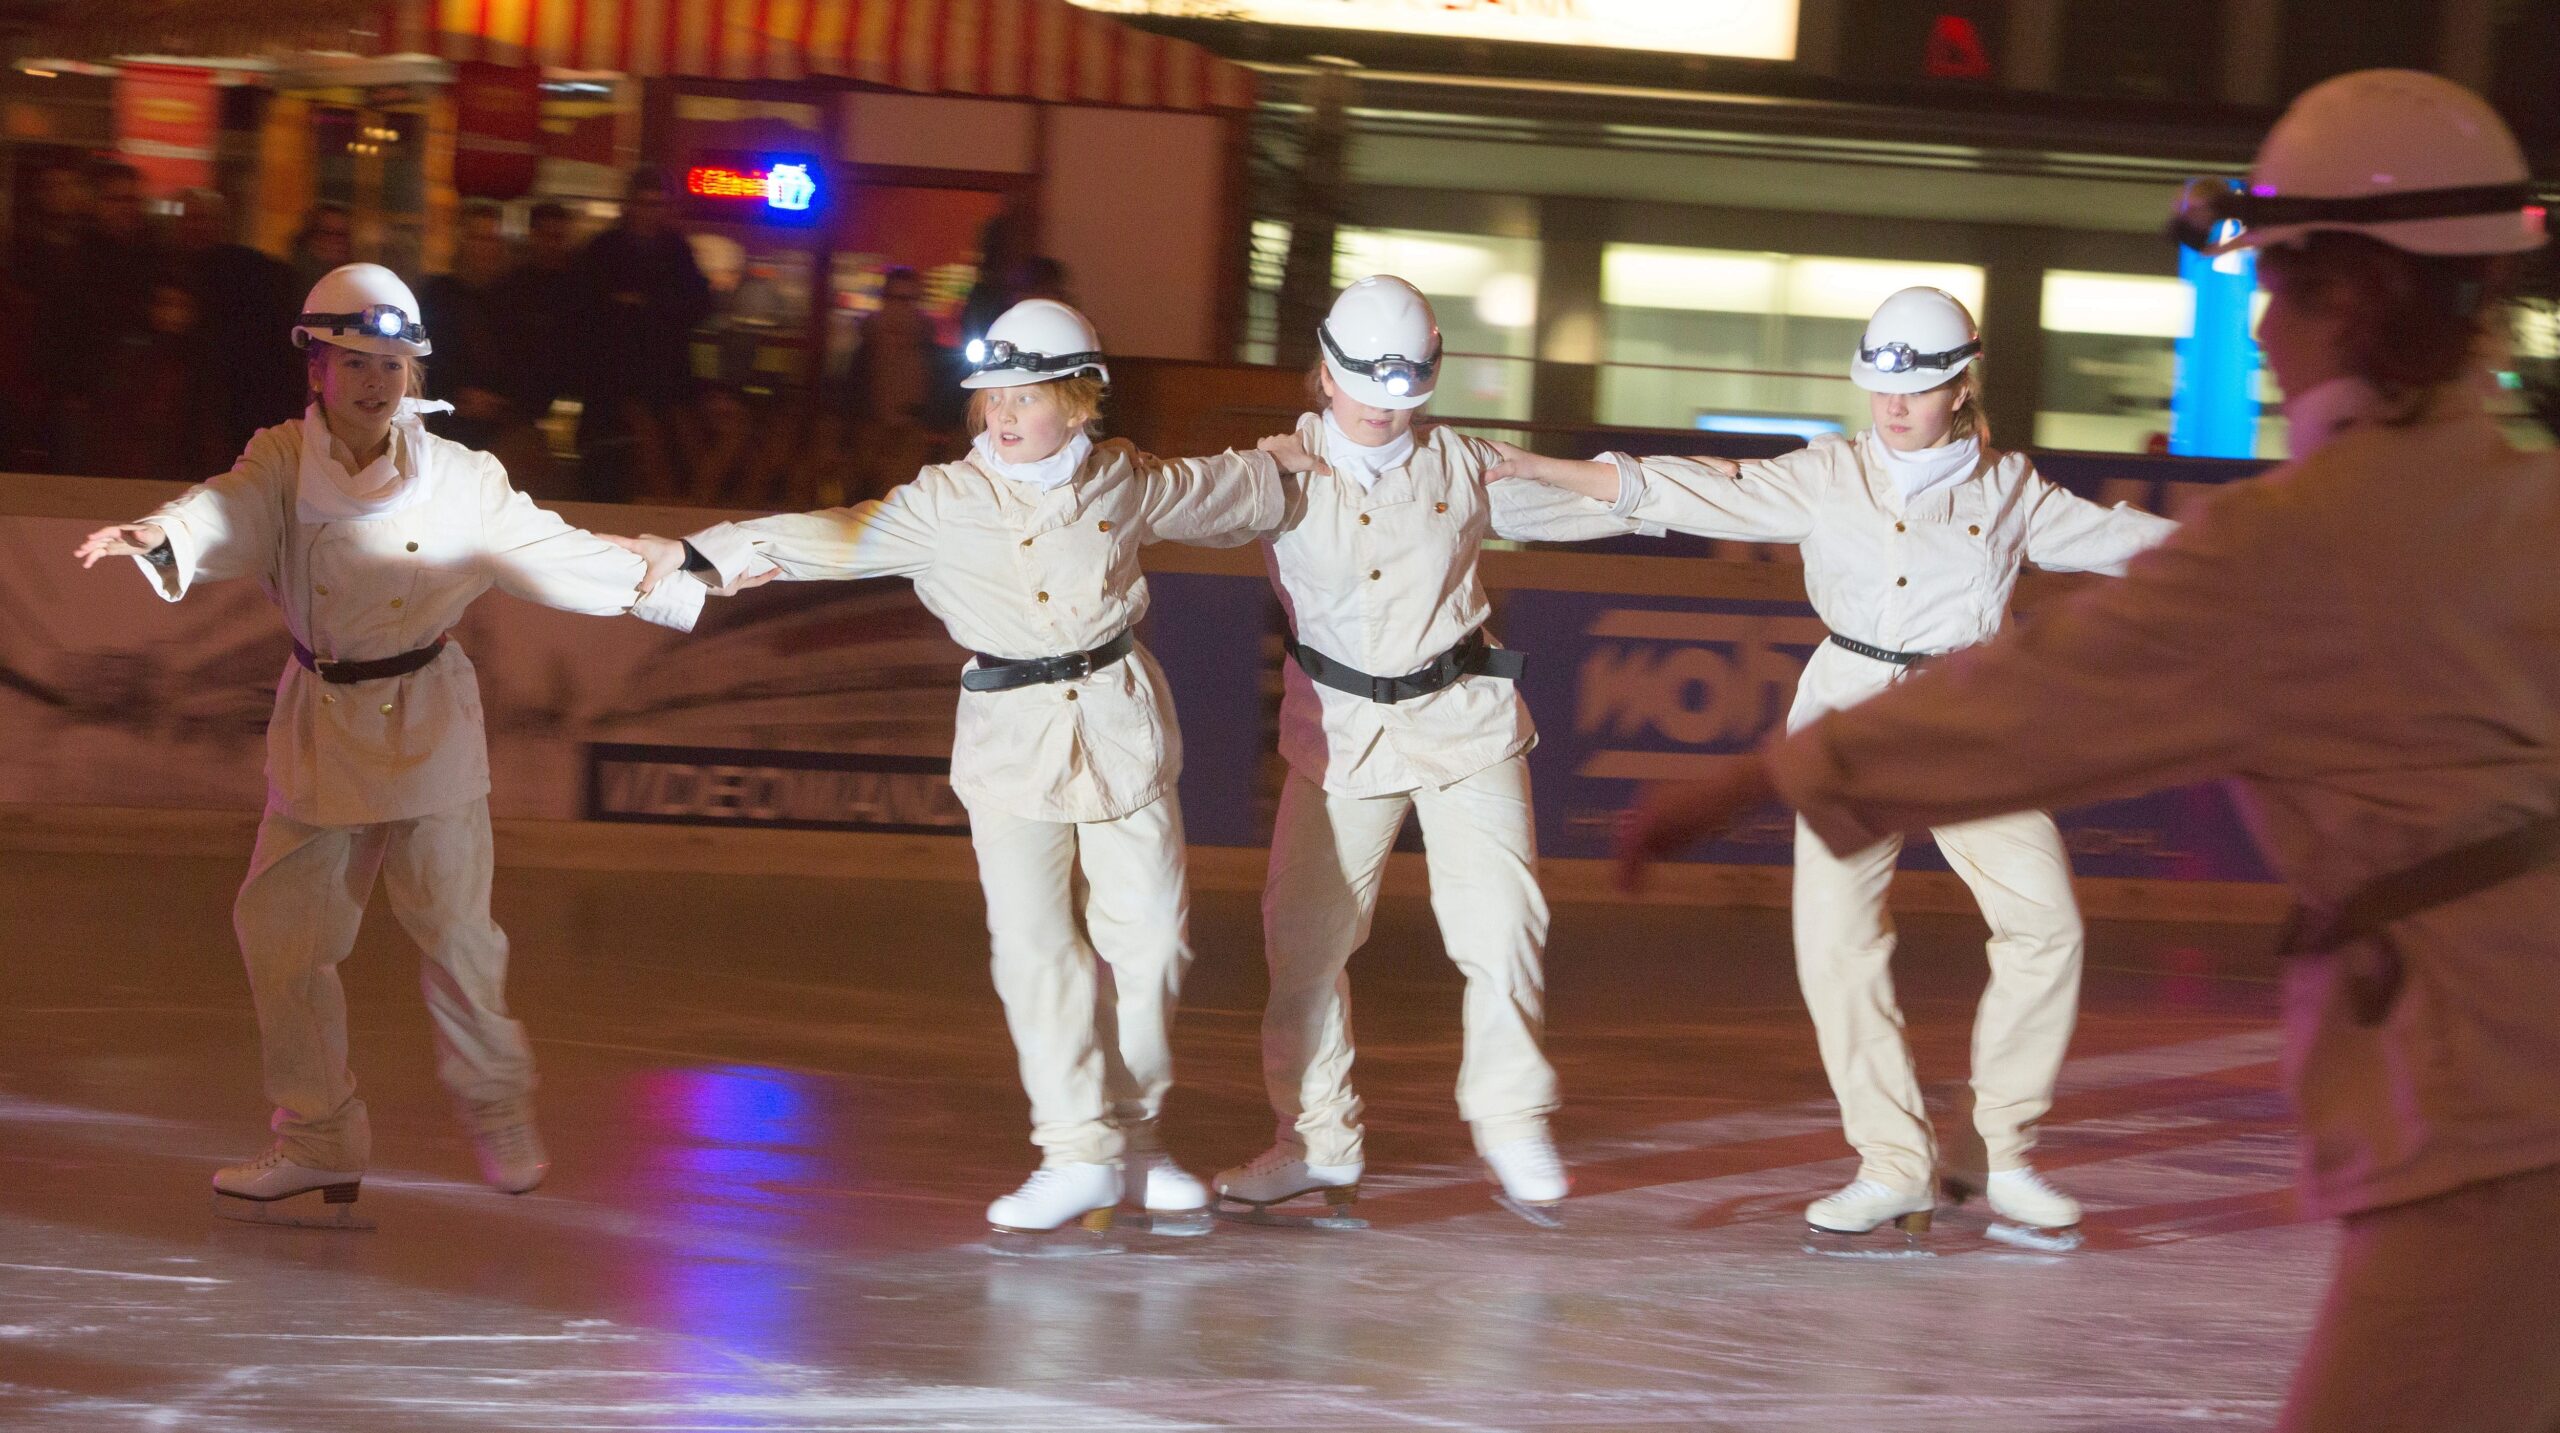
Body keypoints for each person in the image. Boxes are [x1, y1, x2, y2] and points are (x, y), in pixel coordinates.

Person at [1615, 70, 2559, 1430]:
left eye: (2278, 285)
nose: (2265, 323)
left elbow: (2040, 695)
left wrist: (1755, 778)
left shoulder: (2308, 540)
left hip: (2487, 1125)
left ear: (2355, 294)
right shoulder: (2522, 499)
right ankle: (1910, 1157)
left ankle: (1989, 1152)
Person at [616, 300, 1325, 1237]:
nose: (1002, 411)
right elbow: (829, 535)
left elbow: (1222, 487)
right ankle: (1074, 1151)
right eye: (991, 393)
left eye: (1026, 393)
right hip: (1010, 738)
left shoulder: (1122, 477)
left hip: (1119, 725)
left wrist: (1298, 461)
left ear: (1078, 402)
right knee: (1036, 950)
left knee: (1152, 941)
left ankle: (1135, 1143)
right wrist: (699, 555)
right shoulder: (941, 503)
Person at [1491, 287, 2175, 1247]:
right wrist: (1533, 465)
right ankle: (1894, 1164)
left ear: (1959, 386)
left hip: (1966, 716)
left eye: (1919, 388)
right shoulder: (1826, 473)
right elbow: (1689, 488)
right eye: (1881, 386)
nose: (1893, 406)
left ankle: (2001, 1151)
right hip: (1847, 707)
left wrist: (2259, 554)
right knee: (1840, 941)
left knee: (2046, 922)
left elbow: (2126, 542)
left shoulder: (2009, 489)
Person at [71, 263, 720, 1228]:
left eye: (393, 363)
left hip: (428, 722)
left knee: (459, 936)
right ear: (319, 368)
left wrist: (676, 578)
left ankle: (498, 1108)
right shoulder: (284, 462)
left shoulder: (461, 478)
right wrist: (161, 534)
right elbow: (228, 510)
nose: (377, 381)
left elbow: (547, 549)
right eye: (356, 362)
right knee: (278, 935)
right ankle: (320, 1135)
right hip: (324, 720)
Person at [1213, 276, 1658, 1227]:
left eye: (1403, 390)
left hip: (1466, 720)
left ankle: (1511, 1119)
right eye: (1364, 386)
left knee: (1501, 925)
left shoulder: (1464, 465)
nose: (1381, 408)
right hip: (1338, 737)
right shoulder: (1274, 473)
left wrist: (1766, 504)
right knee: (1304, 943)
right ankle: (1314, 1141)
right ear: (1325, 372)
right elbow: (1162, 502)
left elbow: (1610, 506)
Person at [566, 170, 712, 502]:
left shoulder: (674, 250)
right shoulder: (606, 251)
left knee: (682, 450)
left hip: (664, 375)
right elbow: (590, 313)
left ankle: (679, 511)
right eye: (646, 204)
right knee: (652, 452)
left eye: (657, 204)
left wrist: (641, 304)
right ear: (630, 205)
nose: (651, 212)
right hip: (619, 377)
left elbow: (698, 303)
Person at [842, 266, 946, 503]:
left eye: (910, 299)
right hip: (869, 439)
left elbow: (939, 400)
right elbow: (850, 399)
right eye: (896, 298)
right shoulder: (866, 351)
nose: (902, 307)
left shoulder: (930, 351)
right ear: (884, 301)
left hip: (913, 443)